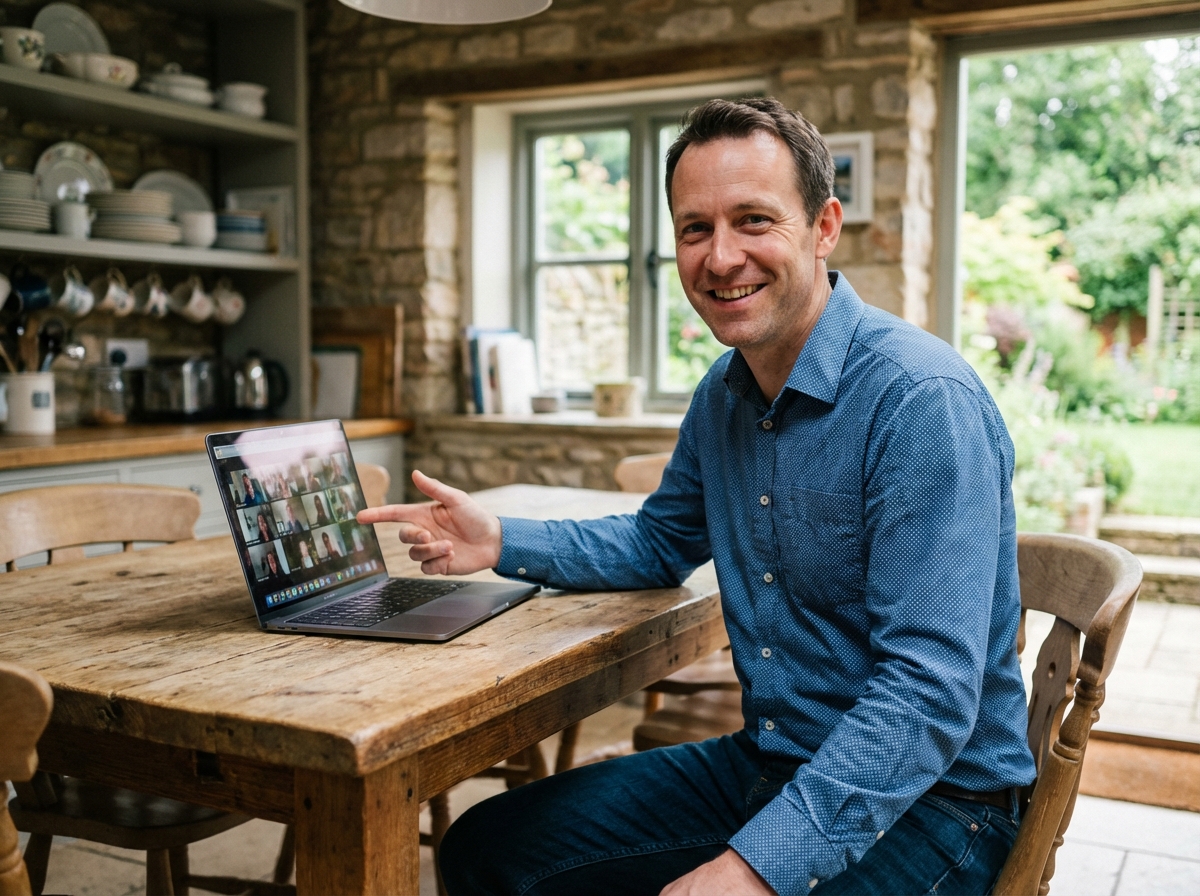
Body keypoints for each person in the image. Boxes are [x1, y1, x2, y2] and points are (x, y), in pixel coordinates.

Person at [359, 97, 1035, 896]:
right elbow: (657, 544)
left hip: (939, 807)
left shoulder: (919, 400)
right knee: (486, 846)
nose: (721, 258)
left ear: (824, 227)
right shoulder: (726, 392)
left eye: (754, 220)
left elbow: (927, 693)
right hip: (775, 762)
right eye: (694, 229)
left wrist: (753, 869)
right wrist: (500, 540)